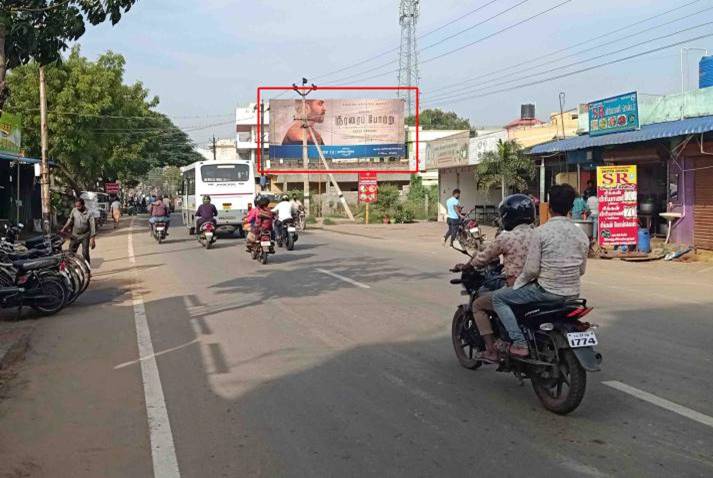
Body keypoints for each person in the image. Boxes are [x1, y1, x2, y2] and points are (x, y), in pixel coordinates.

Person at [492, 184, 589, 357]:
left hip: (547, 292)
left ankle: (520, 343)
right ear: (571, 207)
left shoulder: (541, 232)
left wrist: (517, 285)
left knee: (498, 298)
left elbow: (531, 271)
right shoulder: (581, 234)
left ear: (549, 208)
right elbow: (581, 270)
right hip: (573, 294)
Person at [455, 194, 536, 362]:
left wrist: (467, 265)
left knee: (478, 304)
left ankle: (491, 350)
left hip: (517, 287)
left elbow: (483, 257)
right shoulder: (540, 235)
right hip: (539, 286)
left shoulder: (506, 237)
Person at [62, 198, 96, 264]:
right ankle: (71, 267)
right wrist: (64, 227)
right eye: (76, 206)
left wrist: (93, 239)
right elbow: (70, 220)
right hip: (75, 235)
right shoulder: (74, 210)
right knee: (71, 252)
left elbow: (92, 226)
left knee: (85, 253)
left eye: (79, 206)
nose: (77, 208)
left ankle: (87, 269)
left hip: (85, 235)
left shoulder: (89, 213)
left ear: (83, 205)